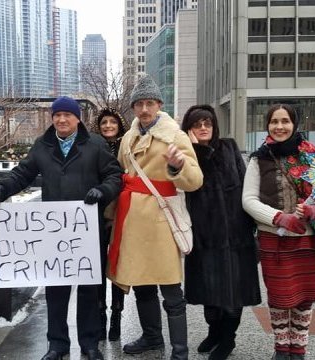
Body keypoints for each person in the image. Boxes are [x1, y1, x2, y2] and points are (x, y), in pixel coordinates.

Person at [0, 96, 122, 360]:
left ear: (77, 118)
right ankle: (57, 344)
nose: (61, 120)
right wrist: (1, 188)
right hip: (53, 232)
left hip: (86, 229)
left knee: (88, 289)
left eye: (67, 115)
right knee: (56, 290)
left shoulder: (94, 144)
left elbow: (114, 176)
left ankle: (89, 343)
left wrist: (102, 191)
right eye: (57, 115)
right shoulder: (43, 145)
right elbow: (22, 174)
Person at [107, 74, 203, 360]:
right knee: (143, 286)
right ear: (134, 107)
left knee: (171, 292)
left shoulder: (176, 136)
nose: (145, 109)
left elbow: (195, 180)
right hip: (133, 220)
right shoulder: (127, 139)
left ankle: (180, 350)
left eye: (150, 103)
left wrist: (177, 167)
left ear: (159, 104)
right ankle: (151, 337)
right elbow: (122, 175)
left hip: (161, 221)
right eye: (139, 104)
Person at [242, 104, 315, 360]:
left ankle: (299, 348)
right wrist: (278, 218)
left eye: (285, 121)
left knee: (305, 298)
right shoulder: (258, 158)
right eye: (274, 121)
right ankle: (282, 348)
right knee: (280, 298)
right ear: (267, 125)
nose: (279, 126)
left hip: (309, 240)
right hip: (275, 240)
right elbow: (248, 200)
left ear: (294, 124)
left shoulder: (314, 156)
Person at [180, 105, 261, 360]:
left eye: (207, 123)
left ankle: (228, 339)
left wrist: (254, 225)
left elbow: (246, 183)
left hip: (235, 233)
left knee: (233, 292)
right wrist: (198, 150)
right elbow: (186, 182)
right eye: (197, 124)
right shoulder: (187, 154)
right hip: (204, 234)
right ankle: (214, 332)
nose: (203, 128)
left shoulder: (229, 147)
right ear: (189, 129)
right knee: (208, 290)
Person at [91, 107, 128, 341]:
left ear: (119, 125)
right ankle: (100, 314)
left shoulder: (127, 147)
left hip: (121, 213)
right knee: (96, 267)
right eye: (103, 122)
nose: (107, 126)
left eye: (112, 122)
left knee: (117, 267)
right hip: (96, 212)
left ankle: (116, 314)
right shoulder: (92, 147)